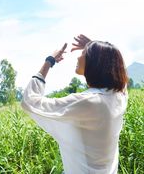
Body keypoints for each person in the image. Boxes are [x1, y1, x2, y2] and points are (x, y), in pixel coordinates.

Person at [21, 34, 129, 174]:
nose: (78, 57)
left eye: (84, 54)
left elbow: (30, 101)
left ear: (95, 61)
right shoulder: (118, 97)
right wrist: (95, 48)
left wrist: (49, 61)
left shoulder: (88, 102)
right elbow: (121, 77)